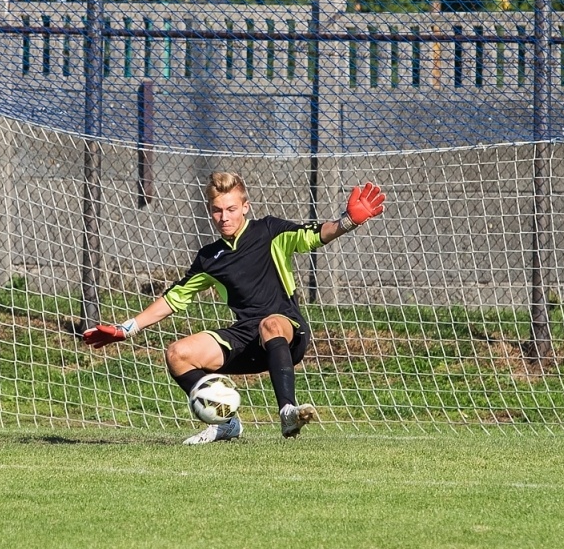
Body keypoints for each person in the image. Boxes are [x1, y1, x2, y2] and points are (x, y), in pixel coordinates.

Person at [83, 172, 385, 444]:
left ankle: (288, 412)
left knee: (270, 323)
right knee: (177, 354)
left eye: (230, 209)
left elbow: (317, 234)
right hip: (245, 339)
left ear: (245, 206)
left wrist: (348, 221)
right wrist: (127, 328)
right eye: (217, 210)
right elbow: (174, 299)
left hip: (286, 332)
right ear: (210, 211)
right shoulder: (209, 258)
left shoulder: (270, 232)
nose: (224, 217)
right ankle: (226, 423)